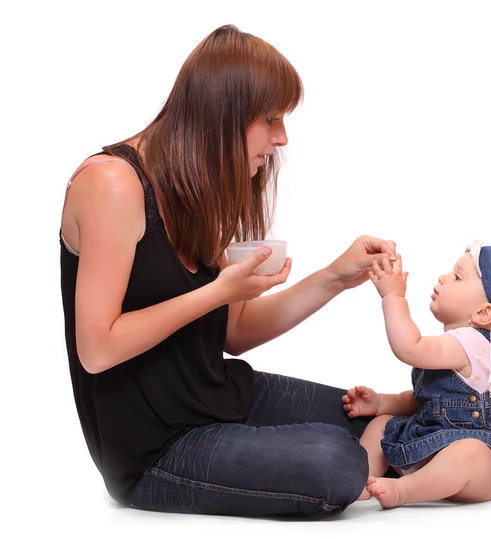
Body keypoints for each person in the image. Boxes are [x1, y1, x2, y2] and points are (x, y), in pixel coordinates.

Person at [59, 24, 396, 518]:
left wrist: (334, 278)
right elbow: (97, 347)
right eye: (271, 119)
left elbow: (234, 333)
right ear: (224, 114)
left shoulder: (199, 185)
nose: (281, 138)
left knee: (387, 417)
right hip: (156, 450)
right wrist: (216, 292)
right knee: (337, 462)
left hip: (220, 396)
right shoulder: (112, 183)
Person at [342, 241, 491, 508]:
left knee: (470, 451)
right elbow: (426, 401)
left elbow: (410, 348)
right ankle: (362, 478)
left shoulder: (475, 344)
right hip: (430, 446)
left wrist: (393, 298)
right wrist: (382, 402)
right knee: (382, 424)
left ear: (484, 312)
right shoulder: (458, 345)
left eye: (457, 277)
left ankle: (402, 490)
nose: (443, 278)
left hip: (480, 469)